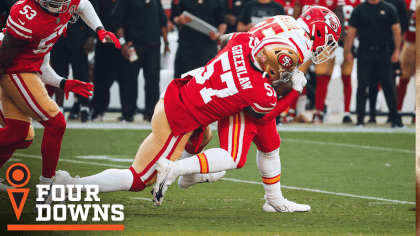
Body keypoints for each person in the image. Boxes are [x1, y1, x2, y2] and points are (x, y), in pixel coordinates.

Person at [50, 32, 308, 212]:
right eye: (282, 73)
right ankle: (69, 185)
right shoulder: (259, 91)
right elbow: (265, 115)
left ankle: (186, 175)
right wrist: (295, 91)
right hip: (178, 119)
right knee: (139, 179)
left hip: (179, 93)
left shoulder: (243, 41)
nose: (285, 77)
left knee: (203, 138)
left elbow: (224, 40)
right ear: (270, 69)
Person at [166, 7, 341, 212]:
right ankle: (179, 170)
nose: (326, 46)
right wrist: (294, 87)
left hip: (231, 73)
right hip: (246, 90)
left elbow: (227, 39)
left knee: (270, 144)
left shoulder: (285, 20)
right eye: (327, 38)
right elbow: (270, 96)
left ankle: (274, 200)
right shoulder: (299, 44)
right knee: (234, 156)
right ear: (318, 31)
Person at [0, 0, 119, 193]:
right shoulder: (26, 14)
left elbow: (43, 65)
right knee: (56, 123)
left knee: (20, 133)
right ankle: (47, 187)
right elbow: (4, 60)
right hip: (10, 67)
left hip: (23, 68)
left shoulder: (65, 5)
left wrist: (99, 29)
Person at [344, 0, 405, 128]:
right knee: (362, 85)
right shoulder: (359, 9)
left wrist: (397, 50)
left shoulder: (388, 8)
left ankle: (395, 118)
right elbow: (351, 31)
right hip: (364, 51)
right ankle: (360, 120)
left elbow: (396, 29)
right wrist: (348, 50)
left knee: (388, 85)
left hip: (383, 51)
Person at [111, 0, 169, 122]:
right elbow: (116, 19)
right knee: (129, 79)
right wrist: (122, 43)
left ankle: (151, 114)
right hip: (133, 45)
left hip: (153, 45)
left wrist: (166, 42)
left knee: (153, 80)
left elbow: (163, 21)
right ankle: (128, 113)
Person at [367, 0, 408, 124]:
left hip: (388, 47)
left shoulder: (397, 3)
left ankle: (393, 114)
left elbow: (402, 25)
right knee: (372, 81)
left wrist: (397, 47)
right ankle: (372, 114)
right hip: (371, 46)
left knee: (390, 82)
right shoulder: (371, 3)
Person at [50, 14, 95, 122]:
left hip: (79, 34)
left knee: (81, 73)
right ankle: (59, 108)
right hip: (58, 33)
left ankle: (85, 107)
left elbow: (93, 11)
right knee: (58, 73)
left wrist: (92, 35)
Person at [172, 0, 227, 80]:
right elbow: (175, 18)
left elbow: (222, 22)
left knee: (205, 80)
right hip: (186, 46)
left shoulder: (217, 1)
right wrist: (179, 19)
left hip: (207, 47)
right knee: (182, 79)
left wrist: (219, 34)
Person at [396, 0, 415, 123]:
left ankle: (415, 114)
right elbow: (402, 24)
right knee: (403, 79)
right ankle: (397, 112)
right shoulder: (406, 3)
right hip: (408, 43)